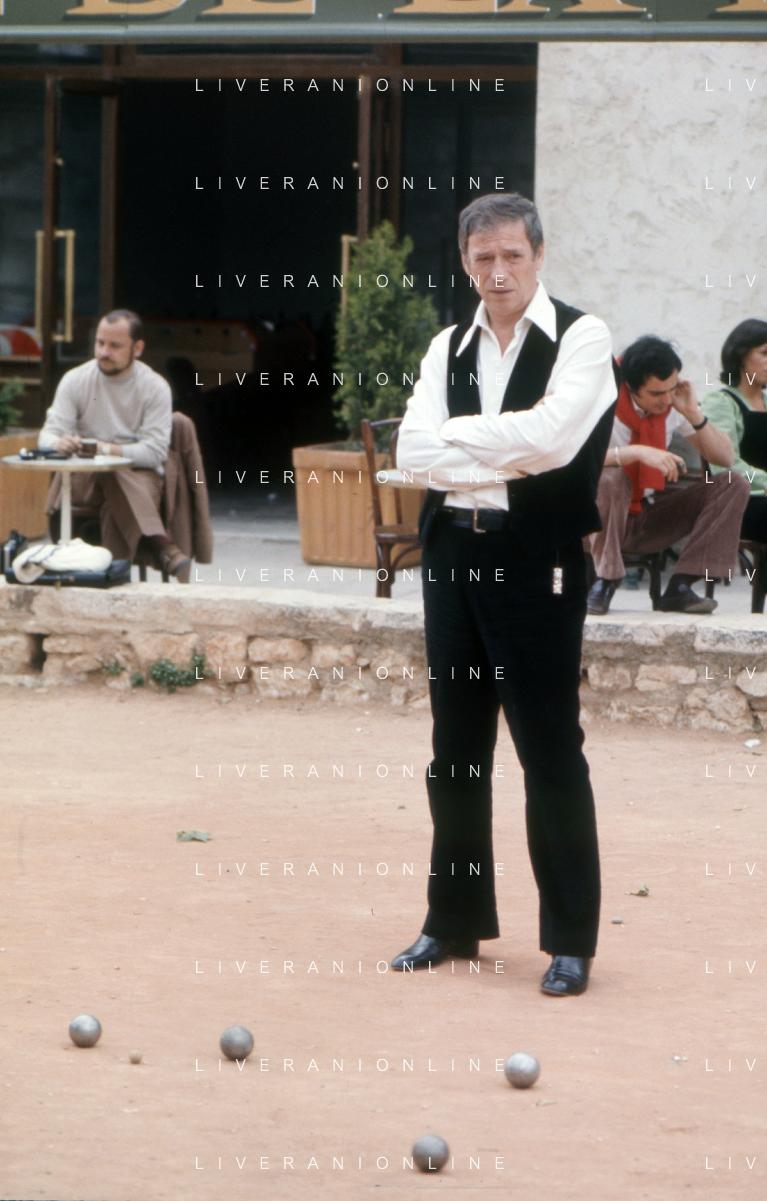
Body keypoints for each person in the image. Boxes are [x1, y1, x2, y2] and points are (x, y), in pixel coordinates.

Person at [392, 193, 618, 998]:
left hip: (535, 560)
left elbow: (555, 441)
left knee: (549, 749)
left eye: (511, 255)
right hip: (452, 552)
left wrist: (454, 440)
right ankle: (452, 919)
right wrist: (501, 450)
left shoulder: (582, 338)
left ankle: (570, 941)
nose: (497, 271)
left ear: (538, 255)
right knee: (453, 750)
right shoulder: (446, 345)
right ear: (464, 262)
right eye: (482, 257)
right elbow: (410, 450)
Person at [586, 336, 748, 616]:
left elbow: (725, 459)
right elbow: (575, 460)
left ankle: (680, 586)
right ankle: (606, 579)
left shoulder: (673, 406)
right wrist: (636, 452)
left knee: (733, 483)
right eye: (656, 393)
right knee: (610, 478)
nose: (666, 399)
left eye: (671, 389)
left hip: (647, 516)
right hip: (594, 521)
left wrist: (694, 414)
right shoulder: (600, 400)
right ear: (630, 386)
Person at [38, 309, 190, 576]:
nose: (104, 352)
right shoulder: (75, 380)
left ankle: (109, 577)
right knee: (107, 470)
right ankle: (161, 545)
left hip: (139, 477)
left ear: (137, 348)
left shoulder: (155, 387)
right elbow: (46, 436)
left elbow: (155, 452)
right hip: (85, 478)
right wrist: (58, 444)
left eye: (115, 345)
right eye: (100, 343)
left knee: (114, 484)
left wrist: (104, 450)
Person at [701, 319, 767, 541]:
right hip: (741, 503)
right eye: (764, 353)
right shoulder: (721, 402)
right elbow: (725, 465)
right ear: (740, 356)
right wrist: (765, 481)